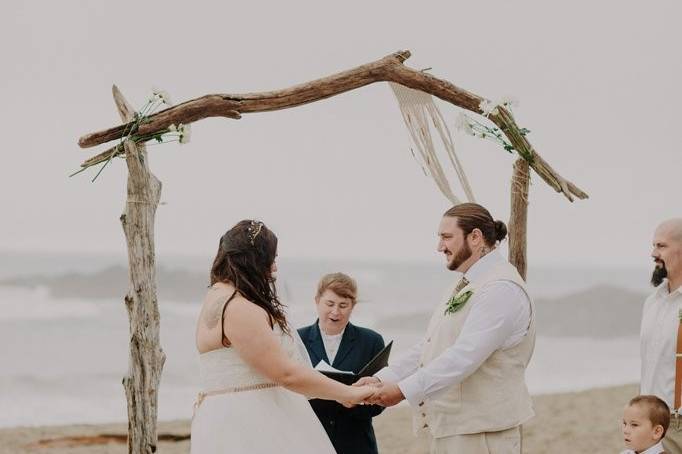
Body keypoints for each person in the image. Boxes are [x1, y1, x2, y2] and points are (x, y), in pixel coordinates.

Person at [355, 203, 535, 454]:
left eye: (447, 237)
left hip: (483, 434)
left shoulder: (501, 288)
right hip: (454, 429)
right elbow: (433, 344)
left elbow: (464, 356)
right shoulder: (468, 283)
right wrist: (383, 378)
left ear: (475, 237)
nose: (440, 246)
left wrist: (402, 391)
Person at [190, 220, 375, 454]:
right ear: (254, 261)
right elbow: (285, 373)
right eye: (271, 259)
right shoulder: (239, 308)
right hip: (252, 423)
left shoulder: (217, 295)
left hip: (228, 417)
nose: (274, 268)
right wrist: (348, 393)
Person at [298, 272, 385, 454]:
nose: (335, 312)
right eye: (329, 304)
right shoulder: (297, 340)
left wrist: (354, 403)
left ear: (353, 306)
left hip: (356, 444)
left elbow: (380, 400)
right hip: (309, 441)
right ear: (317, 301)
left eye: (343, 305)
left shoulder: (372, 341)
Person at [640, 218, 682, 453]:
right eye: (654, 245)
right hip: (648, 423)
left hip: (678, 425)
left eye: (661, 246)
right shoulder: (652, 302)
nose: (653, 253)